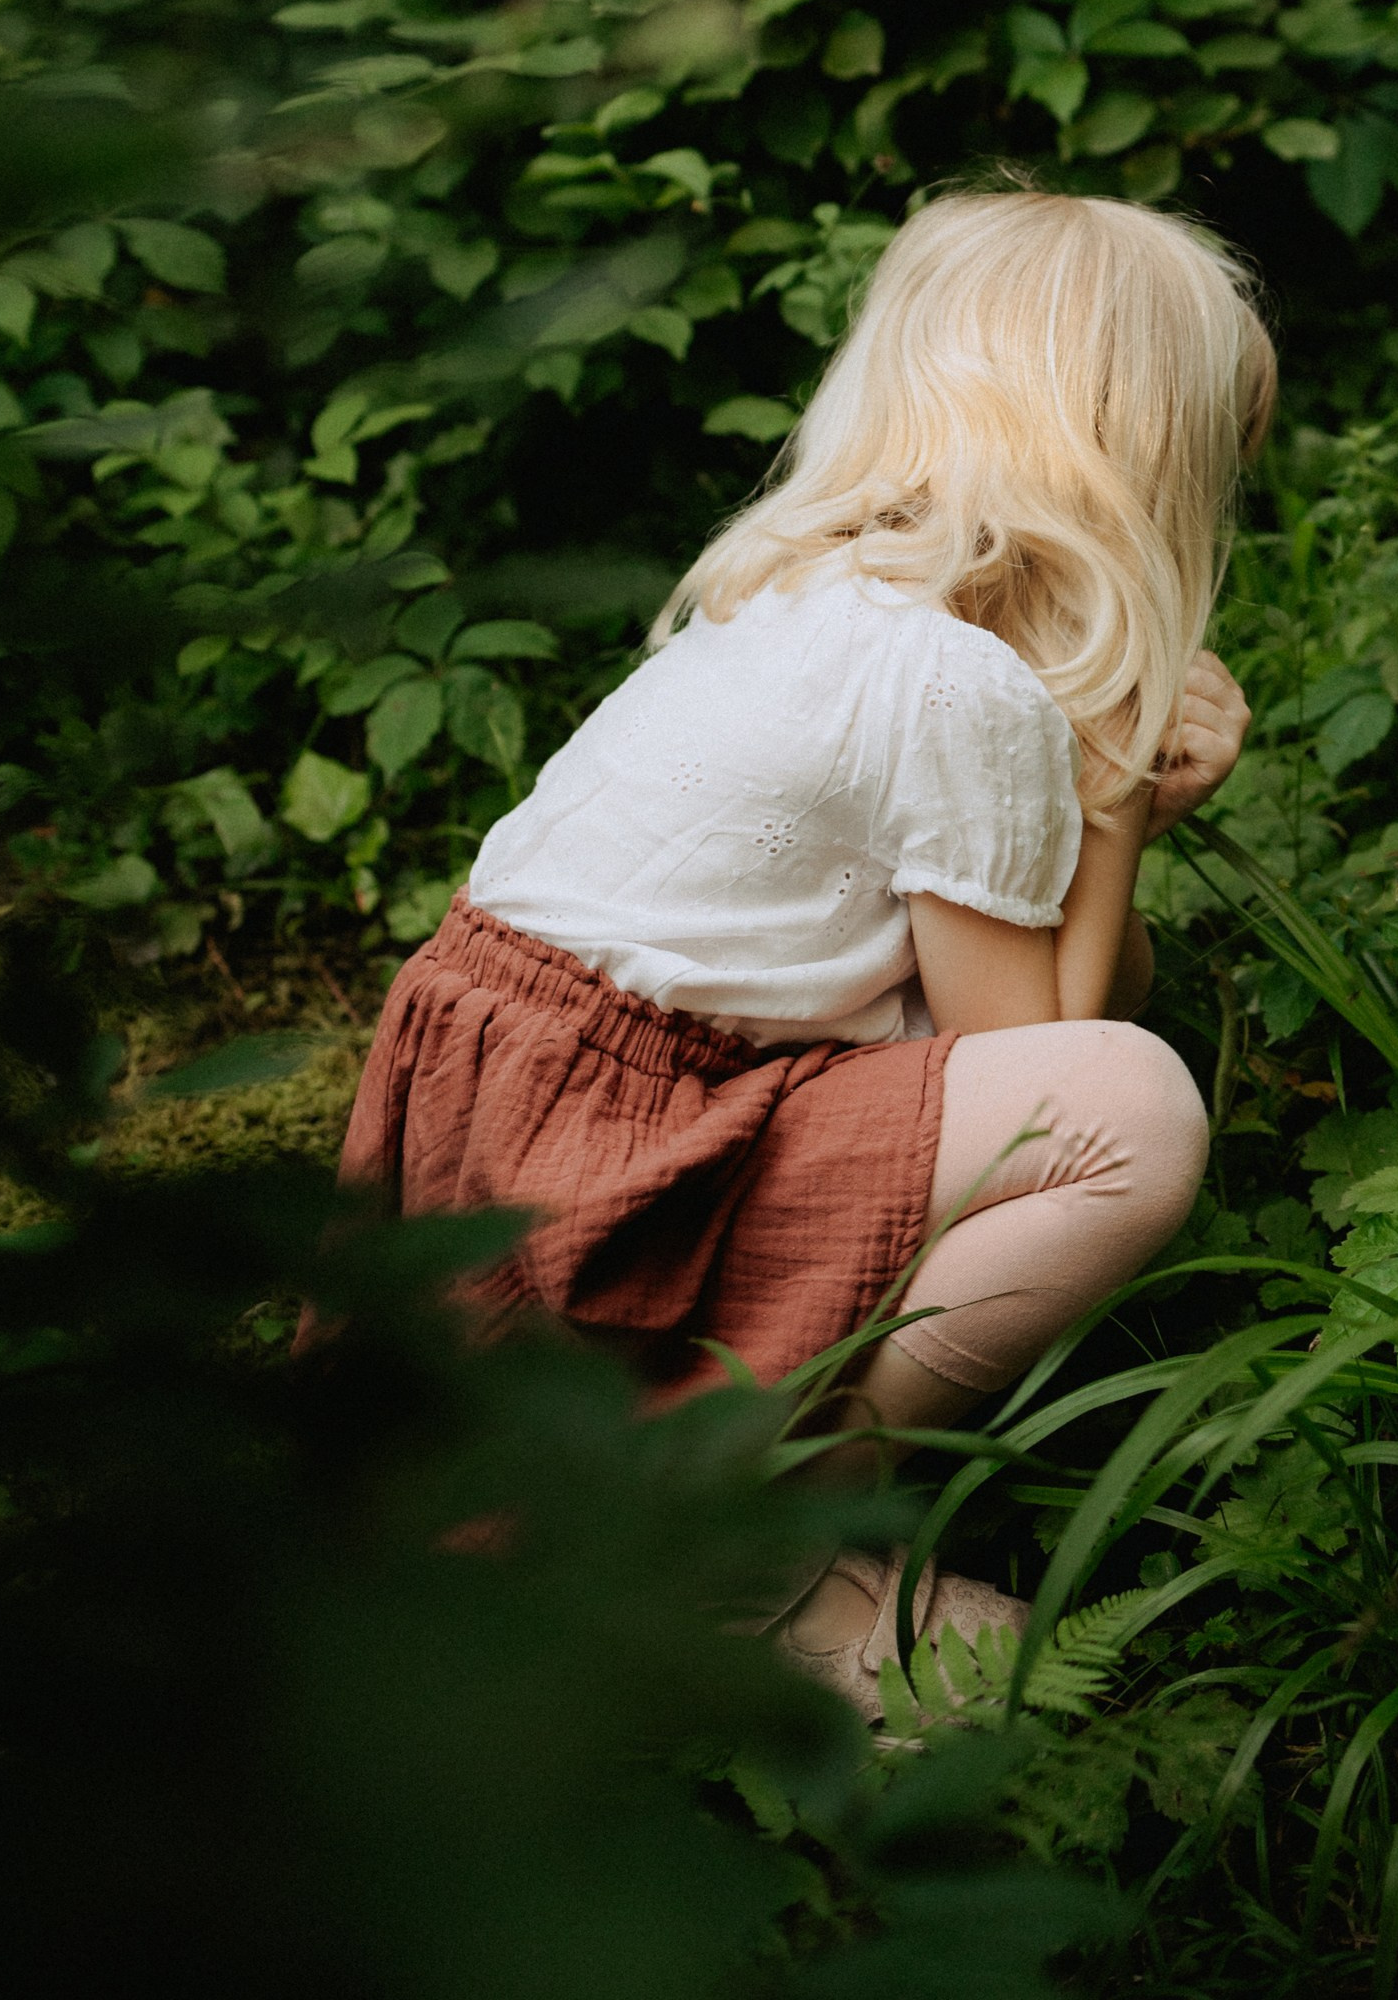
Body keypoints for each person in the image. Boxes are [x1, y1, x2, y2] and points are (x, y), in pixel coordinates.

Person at [335, 185, 1274, 1714]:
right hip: (592, 1153)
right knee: (1138, 1114)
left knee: (1106, 1076)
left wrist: (1117, 810)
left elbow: (1043, 1022)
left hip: (537, 1120)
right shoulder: (956, 687)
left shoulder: (819, 610)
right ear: (1134, 466)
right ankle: (751, 1547)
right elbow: (1042, 1074)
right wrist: (1120, 798)